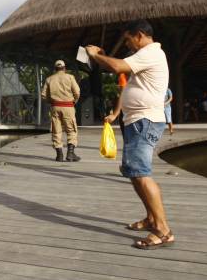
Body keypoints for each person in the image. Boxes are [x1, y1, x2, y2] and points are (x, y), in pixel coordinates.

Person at [87, 19, 173, 249]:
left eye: (128, 39)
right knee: (135, 173)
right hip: (137, 121)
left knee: (142, 174)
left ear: (140, 35)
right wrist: (104, 57)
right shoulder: (147, 55)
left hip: (145, 121)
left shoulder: (150, 52)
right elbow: (117, 66)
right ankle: (151, 218)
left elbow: (117, 67)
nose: (128, 44)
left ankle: (163, 230)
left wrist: (95, 55)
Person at [40, 59, 81, 162]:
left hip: (55, 107)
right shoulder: (70, 77)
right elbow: (77, 91)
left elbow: (43, 95)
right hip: (68, 106)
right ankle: (70, 154)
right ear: (64, 68)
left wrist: (52, 101)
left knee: (56, 130)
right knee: (71, 129)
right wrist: (74, 101)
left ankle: (59, 155)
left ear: (55, 69)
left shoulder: (49, 79)